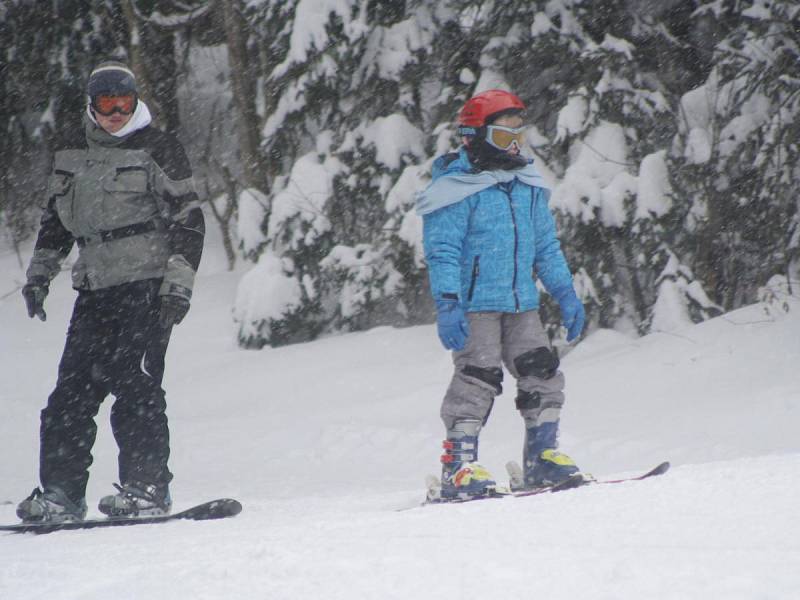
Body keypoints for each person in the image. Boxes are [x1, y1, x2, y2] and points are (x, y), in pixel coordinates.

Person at [16, 61, 205, 522]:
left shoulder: (158, 147)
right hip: (95, 288)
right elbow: (55, 224)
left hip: (146, 288)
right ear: (92, 105)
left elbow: (189, 220)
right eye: (107, 104)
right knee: (70, 394)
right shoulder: (72, 155)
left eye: (124, 103)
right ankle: (61, 494)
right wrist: (39, 275)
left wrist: (177, 286)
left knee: (135, 386)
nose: (117, 113)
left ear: (136, 102)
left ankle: (146, 489)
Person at [416, 89, 586, 500]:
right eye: (504, 134)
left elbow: (546, 247)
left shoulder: (526, 186)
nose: (514, 143)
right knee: (478, 378)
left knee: (542, 372)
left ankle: (542, 459)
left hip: (521, 304)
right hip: (476, 306)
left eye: (519, 134)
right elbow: (443, 252)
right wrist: (449, 302)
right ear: (477, 135)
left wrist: (565, 292)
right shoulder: (456, 189)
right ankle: (458, 467)